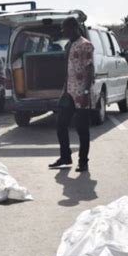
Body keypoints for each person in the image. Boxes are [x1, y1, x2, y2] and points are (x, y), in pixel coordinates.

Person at [49, 17, 95, 172]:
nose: (63, 31)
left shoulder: (85, 45)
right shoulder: (69, 45)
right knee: (61, 125)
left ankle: (83, 161)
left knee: (82, 129)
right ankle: (65, 157)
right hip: (68, 92)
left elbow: (89, 69)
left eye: (65, 29)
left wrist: (86, 92)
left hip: (81, 93)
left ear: (74, 27)